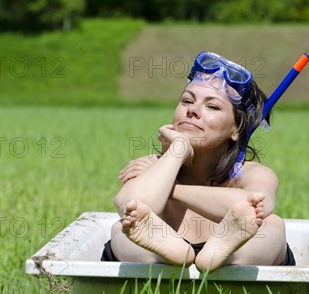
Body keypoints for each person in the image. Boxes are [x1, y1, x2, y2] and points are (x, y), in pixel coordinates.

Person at [101, 51, 295, 272]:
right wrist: (178, 149)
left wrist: (174, 190)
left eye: (212, 106)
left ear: (237, 130)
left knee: (273, 226)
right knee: (122, 230)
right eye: (186, 101)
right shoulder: (154, 167)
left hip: (237, 253)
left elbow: (256, 207)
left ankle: (223, 257)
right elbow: (128, 206)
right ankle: (171, 253)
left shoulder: (252, 173)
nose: (192, 110)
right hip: (159, 253)